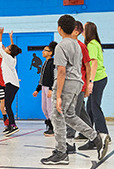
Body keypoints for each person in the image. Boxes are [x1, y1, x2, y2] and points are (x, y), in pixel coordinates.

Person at [41, 15, 109, 165]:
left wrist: (58, 95)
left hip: (66, 84)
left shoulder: (61, 46)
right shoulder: (77, 45)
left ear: (59, 28)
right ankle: (96, 138)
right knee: (70, 115)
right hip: (77, 83)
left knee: (57, 117)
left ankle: (61, 152)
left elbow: (61, 71)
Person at [78, 21, 110, 151]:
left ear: (88, 31)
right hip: (99, 79)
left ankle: (102, 135)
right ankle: (89, 134)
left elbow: (94, 64)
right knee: (90, 107)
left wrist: (90, 82)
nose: (82, 31)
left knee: (94, 106)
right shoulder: (94, 43)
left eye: (84, 29)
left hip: (97, 79)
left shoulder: (91, 44)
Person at [66, 21, 93, 153]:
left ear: (76, 32)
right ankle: (93, 138)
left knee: (72, 114)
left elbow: (88, 66)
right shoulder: (69, 46)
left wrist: (88, 85)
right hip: (71, 85)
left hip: (78, 86)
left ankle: (69, 143)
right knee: (81, 111)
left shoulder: (81, 46)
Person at [0, 27, 22, 137]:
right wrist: (11, 38)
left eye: (7, 47)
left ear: (9, 51)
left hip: (11, 84)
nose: (5, 47)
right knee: (7, 105)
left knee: (7, 105)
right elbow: (13, 49)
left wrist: (1, 34)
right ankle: (10, 125)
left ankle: (13, 125)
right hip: (13, 84)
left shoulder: (7, 58)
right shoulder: (12, 57)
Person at [33, 41, 57, 137]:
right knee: (44, 108)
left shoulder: (52, 63)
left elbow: (53, 77)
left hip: (49, 88)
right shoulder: (45, 63)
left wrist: (51, 89)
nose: (43, 52)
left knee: (50, 108)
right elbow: (42, 78)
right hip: (43, 87)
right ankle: (49, 124)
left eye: (45, 50)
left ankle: (53, 127)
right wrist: (37, 89)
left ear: (50, 53)